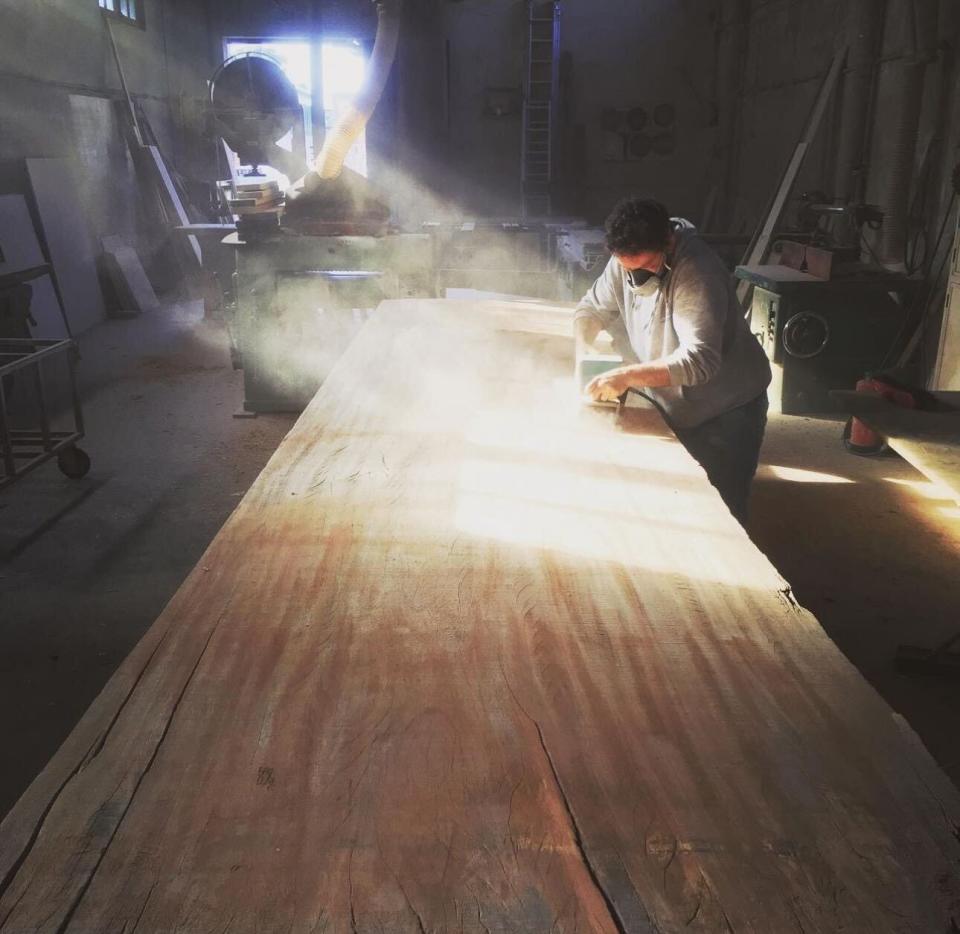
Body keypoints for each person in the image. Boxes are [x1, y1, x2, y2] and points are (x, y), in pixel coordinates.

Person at [576, 197, 772, 525]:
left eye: (647, 266)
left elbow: (699, 360)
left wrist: (626, 376)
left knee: (723, 511)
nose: (638, 277)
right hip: (673, 400)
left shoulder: (698, 274)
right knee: (675, 502)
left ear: (668, 241)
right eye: (630, 269)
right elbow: (591, 309)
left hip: (726, 408)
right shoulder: (624, 261)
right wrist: (584, 350)